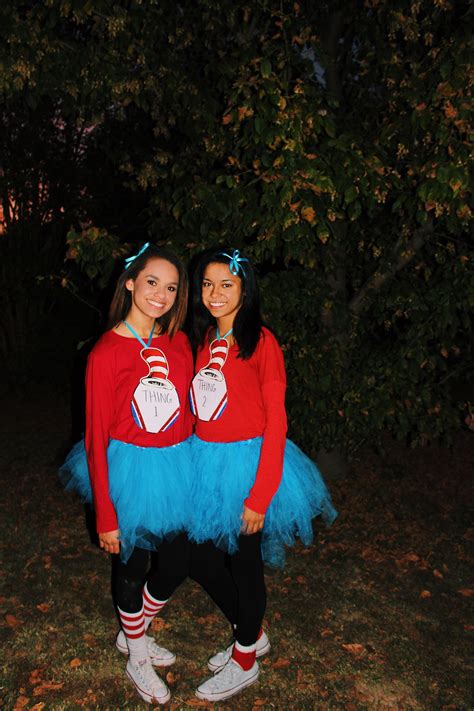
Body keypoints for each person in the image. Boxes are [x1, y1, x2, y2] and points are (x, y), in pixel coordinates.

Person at [187, 247, 337, 702]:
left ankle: (245, 660)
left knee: (246, 564)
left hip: (249, 466)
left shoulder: (261, 342)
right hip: (205, 462)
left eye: (226, 285)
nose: (214, 293)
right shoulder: (205, 338)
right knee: (201, 556)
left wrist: (260, 495)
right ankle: (250, 632)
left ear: (245, 290)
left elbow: (277, 422)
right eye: (208, 284)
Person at [60, 243, 194, 705]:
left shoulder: (178, 342)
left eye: (172, 287)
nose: (161, 294)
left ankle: (132, 629)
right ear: (131, 282)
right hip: (128, 470)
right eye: (152, 282)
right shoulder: (105, 353)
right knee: (132, 566)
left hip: (174, 466)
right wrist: (105, 513)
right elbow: (95, 436)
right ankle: (136, 651)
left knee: (177, 561)